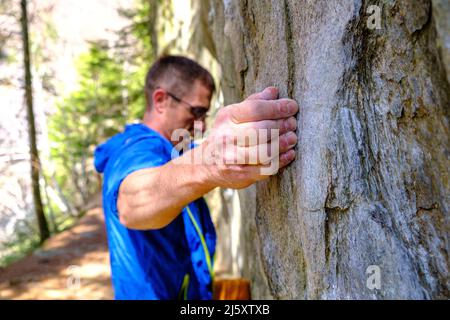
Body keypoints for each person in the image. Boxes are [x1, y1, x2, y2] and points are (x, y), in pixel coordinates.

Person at [94, 55, 298, 300]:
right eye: (196, 111)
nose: (200, 124)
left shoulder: (175, 149)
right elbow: (132, 203)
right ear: (161, 100)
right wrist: (207, 165)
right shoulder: (132, 149)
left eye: (205, 115)